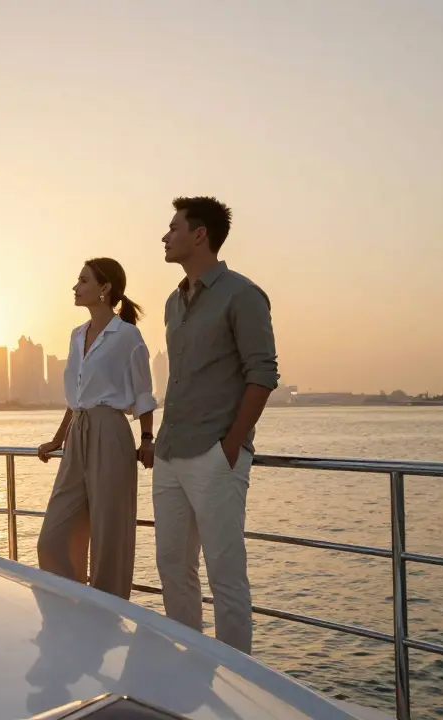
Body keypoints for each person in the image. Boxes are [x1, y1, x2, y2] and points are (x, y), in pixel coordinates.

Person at [152, 196, 279, 654]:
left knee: (225, 574)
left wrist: (230, 447)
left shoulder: (242, 294)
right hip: (169, 454)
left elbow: (262, 373)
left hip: (214, 454)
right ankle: (190, 670)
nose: (164, 236)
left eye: (173, 228)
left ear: (199, 234)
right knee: (172, 566)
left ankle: (238, 685)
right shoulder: (173, 302)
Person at [35, 258, 157, 600]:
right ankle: (75, 607)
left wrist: (147, 438)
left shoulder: (128, 336)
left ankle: (110, 614)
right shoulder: (76, 336)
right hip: (78, 435)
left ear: (104, 289)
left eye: (83, 280)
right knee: (52, 538)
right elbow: (76, 399)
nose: (75, 287)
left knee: (109, 535)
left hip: (112, 432)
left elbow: (143, 392)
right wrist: (58, 439)